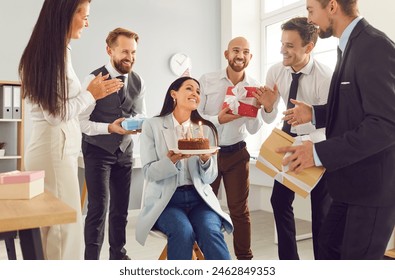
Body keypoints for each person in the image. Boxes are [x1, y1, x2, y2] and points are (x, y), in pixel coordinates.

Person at [278, 0, 395, 259]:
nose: (309, 19)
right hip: (347, 186)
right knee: (327, 250)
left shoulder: (373, 46)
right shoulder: (348, 46)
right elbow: (357, 108)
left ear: (332, 6)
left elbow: (386, 124)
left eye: (311, 10)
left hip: (371, 192)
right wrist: (316, 113)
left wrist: (317, 153)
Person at [18, 0, 122, 260]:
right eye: (84, 16)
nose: (87, 23)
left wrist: (91, 94)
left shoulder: (49, 51)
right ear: (66, 13)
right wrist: (91, 94)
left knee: (52, 230)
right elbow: (56, 115)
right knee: (64, 233)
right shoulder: (53, 54)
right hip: (55, 151)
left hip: (51, 149)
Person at [255, 17, 332, 260]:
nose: (282, 50)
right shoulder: (276, 71)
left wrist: (307, 144)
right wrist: (268, 108)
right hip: (286, 139)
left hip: (317, 144)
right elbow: (270, 119)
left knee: (321, 211)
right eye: (282, 43)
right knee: (279, 201)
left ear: (308, 47)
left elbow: (332, 123)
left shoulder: (325, 77)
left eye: (289, 45)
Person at [135, 76, 233, 260]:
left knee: (210, 231)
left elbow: (210, 177)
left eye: (198, 91)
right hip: (167, 201)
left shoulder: (207, 129)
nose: (195, 94)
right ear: (174, 94)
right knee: (183, 232)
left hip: (200, 200)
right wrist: (170, 161)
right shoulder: (152, 126)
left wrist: (205, 160)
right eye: (189, 88)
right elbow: (148, 172)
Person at [79, 27, 146, 260]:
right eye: (124, 51)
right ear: (109, 50)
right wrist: (109, 128)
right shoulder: (93, 79)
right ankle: (92, 262)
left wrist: (137, 125)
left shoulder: (138, 81)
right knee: (98, 209)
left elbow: (140, 113)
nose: (130, 57)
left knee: (120, 210)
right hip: (97, 150)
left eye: (134, 52)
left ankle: (118, 257)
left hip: (125, 150)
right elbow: (82, 123)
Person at [198, 37, 264, 260]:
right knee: (206, 208)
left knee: (240, 211)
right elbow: (194, 117)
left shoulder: (253, 86)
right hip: (209, 153)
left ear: (250, 57)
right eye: (236, 50)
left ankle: (245, 261)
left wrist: (257, 109)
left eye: (246, 52)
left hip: (237, 153)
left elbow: (254, 129)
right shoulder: (207, 80)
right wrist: (219, 118)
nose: (240, 55)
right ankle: (206, 257)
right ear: (226, 54)